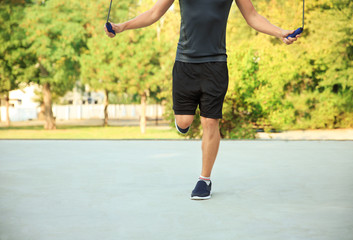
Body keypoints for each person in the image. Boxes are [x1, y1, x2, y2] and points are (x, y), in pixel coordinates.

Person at [104, 0, 300, 200]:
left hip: (216, 65)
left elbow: (253, 17)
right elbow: (154, 13)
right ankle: (182, 122)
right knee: (184, 121)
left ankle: (204, 180)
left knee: (210, 121)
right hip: (185, 64)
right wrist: (121, 27)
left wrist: (280, 32)